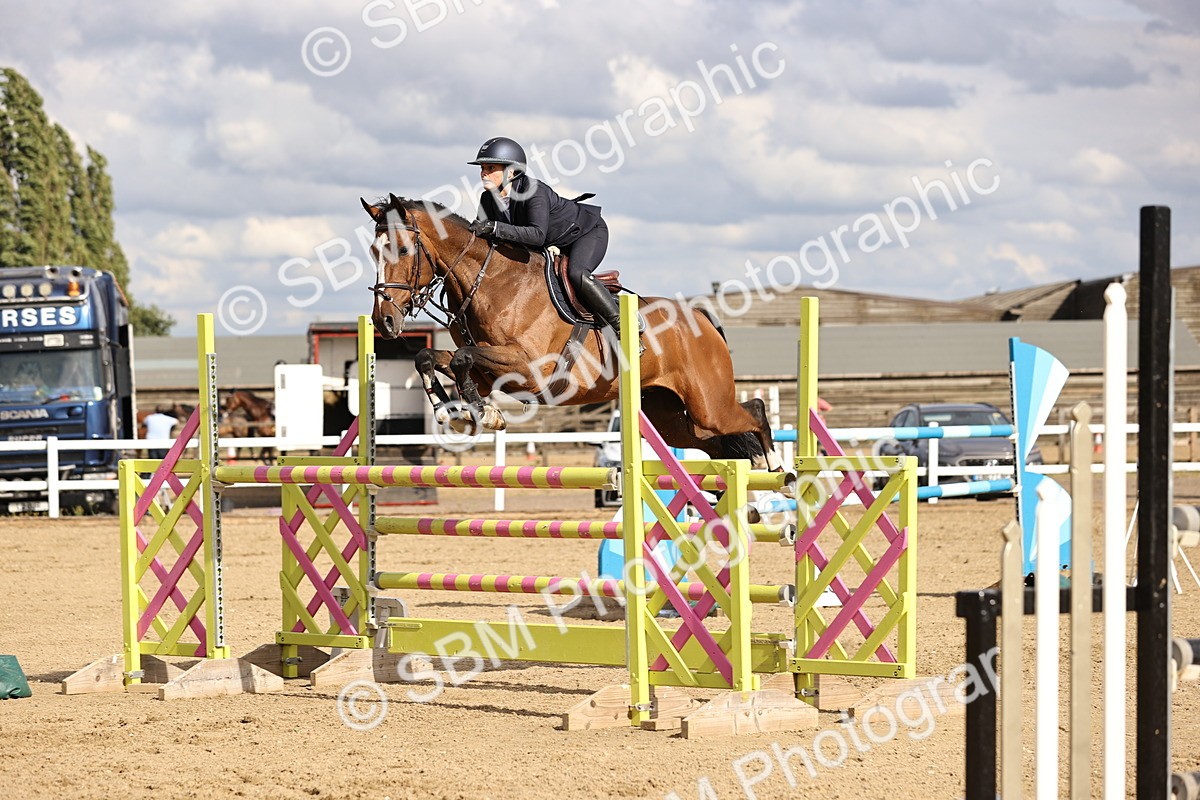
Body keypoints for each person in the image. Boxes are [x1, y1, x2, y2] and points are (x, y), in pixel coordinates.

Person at [467, 136, 633, 345]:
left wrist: (495, 228)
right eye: (482, 168)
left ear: (511, 171)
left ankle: (622, 325)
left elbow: (537, 235)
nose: (483, 173)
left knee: (576, 273)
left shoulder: (534, 191)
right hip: (553, 242)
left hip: (586, 233)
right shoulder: (487, 199)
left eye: (490, 167)